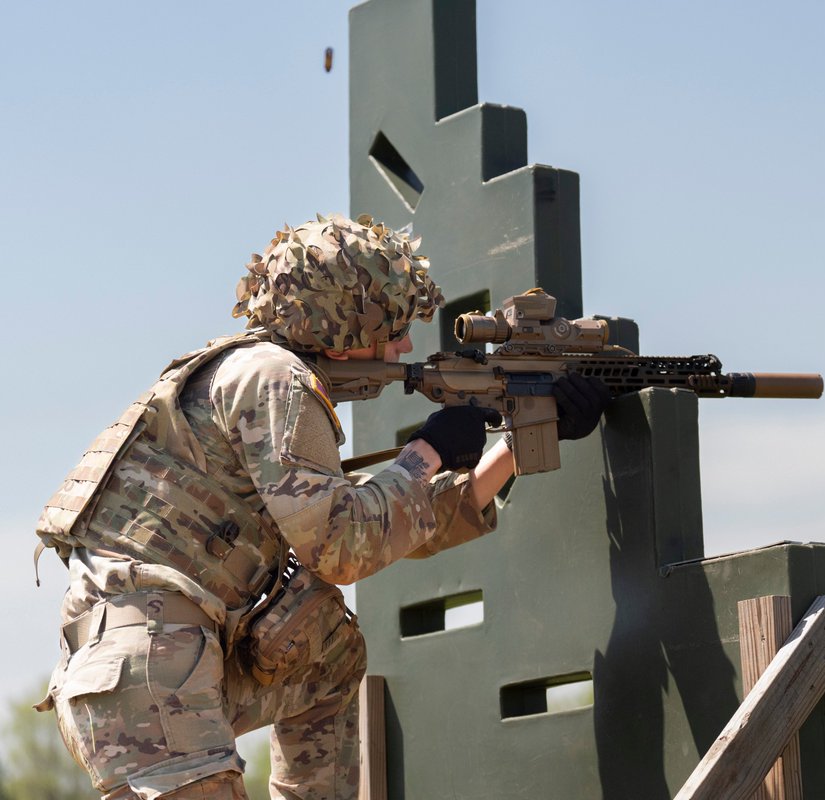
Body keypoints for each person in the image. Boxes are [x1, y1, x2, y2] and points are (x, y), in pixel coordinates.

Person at [33, 213, 609, 800]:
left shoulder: (253, 374)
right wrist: (428, 452)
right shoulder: (273, 378)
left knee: (327, 648)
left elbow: (384, 526)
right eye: (393, 323)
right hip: (155, 674)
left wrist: (514, 444)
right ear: (343, 318)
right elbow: (341, 549)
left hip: (156, 671)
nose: (406, 343)